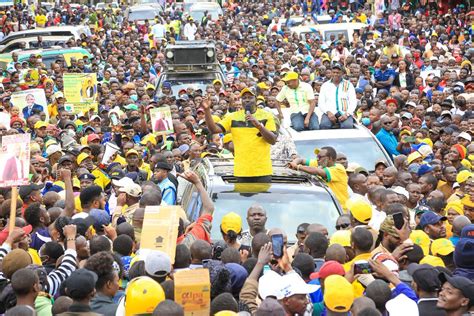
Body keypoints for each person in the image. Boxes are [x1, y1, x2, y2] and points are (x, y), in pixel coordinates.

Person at [203, 88, 277, 183]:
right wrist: (207, 110)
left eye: (250, 97)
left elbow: (272, 140)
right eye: (244, 97)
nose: (247, 100)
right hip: (241, 171)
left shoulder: (267, 116)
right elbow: (214, 129)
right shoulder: (232, 117)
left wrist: (259, 126)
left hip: (262, 170)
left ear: (256, 99)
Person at [318, 64, 357, 129]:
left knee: (347, 126)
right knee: (324, 125)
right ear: (331, 73)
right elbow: (321, 102)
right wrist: (328, 112)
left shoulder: (348, 84)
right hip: (329, 112)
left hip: (344, 112)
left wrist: (347, 114)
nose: (335, 74)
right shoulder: (325, 85)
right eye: (334, 72)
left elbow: (353, 101)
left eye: (338, 72)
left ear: (342, 73)